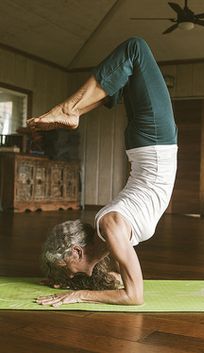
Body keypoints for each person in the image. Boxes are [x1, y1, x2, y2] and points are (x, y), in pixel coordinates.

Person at [28, 37, 178, 307]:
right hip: (150, 144)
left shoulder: (109, 226)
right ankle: (72, 111)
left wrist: (79, 295)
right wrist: (77, 283)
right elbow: (121, 284)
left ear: (76, 252)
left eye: (66, 268)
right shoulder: (107, 235)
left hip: (154, 141)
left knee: (135, 48)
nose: (67, 274)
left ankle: (69, 110)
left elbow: (134, 297)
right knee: (124, 74)